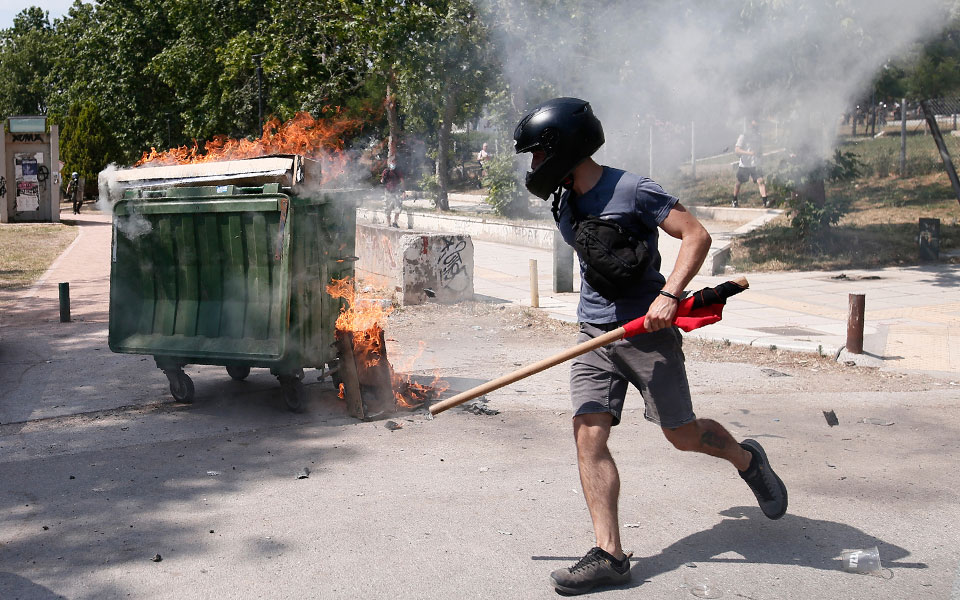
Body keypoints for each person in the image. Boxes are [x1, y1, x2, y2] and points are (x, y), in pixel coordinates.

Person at [513, 98, 788, 596]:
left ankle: (747, 460)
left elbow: (696, 235)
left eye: (537, 153)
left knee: (681, 434)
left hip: (648, 332)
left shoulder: (633, 189)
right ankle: (610, 555)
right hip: (594, 336)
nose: (533, 165)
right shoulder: (565, 203)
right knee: (588, 433)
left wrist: (670, 295)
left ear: (564, 148)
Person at [733, 119, 769, 208]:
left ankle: (765, 201)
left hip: (755, 163)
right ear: (749, 127)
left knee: (760, 180)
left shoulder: (758, 136)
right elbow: (737, 150)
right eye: (754, 127)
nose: (755, 129)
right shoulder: (743, 136)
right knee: (739, 182)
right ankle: (734, 200)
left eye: (756, 127)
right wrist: (749, 153)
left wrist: (761, 156)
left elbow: (760, 149)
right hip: (745, 164)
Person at [380, 162, 404, 228]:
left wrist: (403, 191)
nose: (393, 165)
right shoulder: (386, 171)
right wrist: (383, 178)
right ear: (389, 164)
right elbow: (382, 180)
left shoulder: (397, 171)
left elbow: (402, 180)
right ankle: (388, 223)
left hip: (396, 192)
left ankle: (395, 223)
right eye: (392, 163)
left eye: (394, 163)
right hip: (388, 192)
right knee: (387, 208)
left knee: (398, 208)